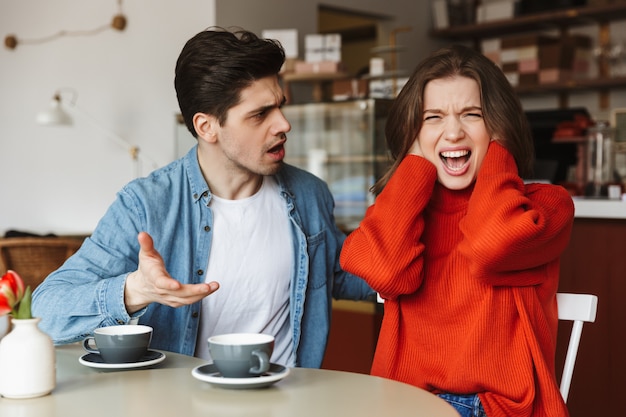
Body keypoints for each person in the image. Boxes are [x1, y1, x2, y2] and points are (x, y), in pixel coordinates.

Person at [32, 27, 373, 369]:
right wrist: (137, 290)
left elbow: (338, 273)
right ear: (206, 126)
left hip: (288, 399)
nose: (283, 124)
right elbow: (46, 312)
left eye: (280, 107)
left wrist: (418, 261)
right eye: (260, 114)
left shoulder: (309, 194)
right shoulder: (146, 205)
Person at [339, 44, 574, 417]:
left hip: (499, 408)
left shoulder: (545, 208)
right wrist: (415, 162)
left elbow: (489, 248)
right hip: (408, 403)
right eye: (433, 117)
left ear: (499, 125)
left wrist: (497, 149)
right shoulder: (406, 213)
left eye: (473, 115)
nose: (452, 132)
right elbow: (387, 273)